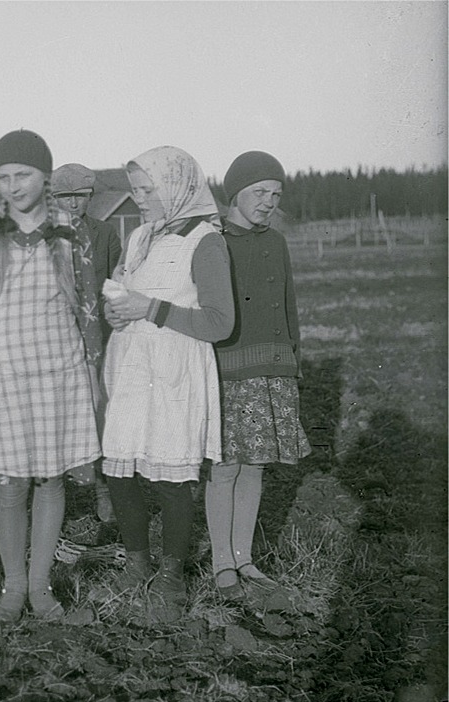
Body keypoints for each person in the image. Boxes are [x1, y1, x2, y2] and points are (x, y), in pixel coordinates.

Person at [0, 130, 103, 622]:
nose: (13, 186)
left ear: (45, 177)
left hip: (58, 369)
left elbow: (86, 304)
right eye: (4, 177)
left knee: (51, 479)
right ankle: (13, 587)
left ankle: (41, 589)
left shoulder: (69, 229)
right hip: (0, 371)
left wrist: (94, 370)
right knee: (10, 482)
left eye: (23, 175)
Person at [102, 146, 235, 619]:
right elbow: (126, 294)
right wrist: (115, 312)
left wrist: (150, 309)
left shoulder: (205, 240)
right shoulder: (140, 237)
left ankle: (172, 575)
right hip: (133, 365)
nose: (138, 199)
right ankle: (137, 563)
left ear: (176, 187)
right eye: (135, 189)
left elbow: (220, 322)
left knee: (171, 479)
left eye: (146, 190)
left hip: (176, 369)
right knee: (119, 470)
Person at [207, 151, 311, 599]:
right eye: (259, 192)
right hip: (229, 371)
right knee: (226, 467)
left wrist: (292, 361)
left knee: (256, 467)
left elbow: (289, 307)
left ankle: (243, 558)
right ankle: (220, 564)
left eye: (276, 194)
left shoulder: (278, 242)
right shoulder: (213, 241)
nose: (269, 202)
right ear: (236, 193)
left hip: (273, 371)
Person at [50, 163, 123, 524]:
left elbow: (113, 282)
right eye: (67, 197)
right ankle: (51, 491)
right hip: (55, 339)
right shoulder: (44, 235)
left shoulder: (105, 232)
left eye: (82, 197)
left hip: (97, 336)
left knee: (99, 411)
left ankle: (103, 490)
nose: (75, 204)